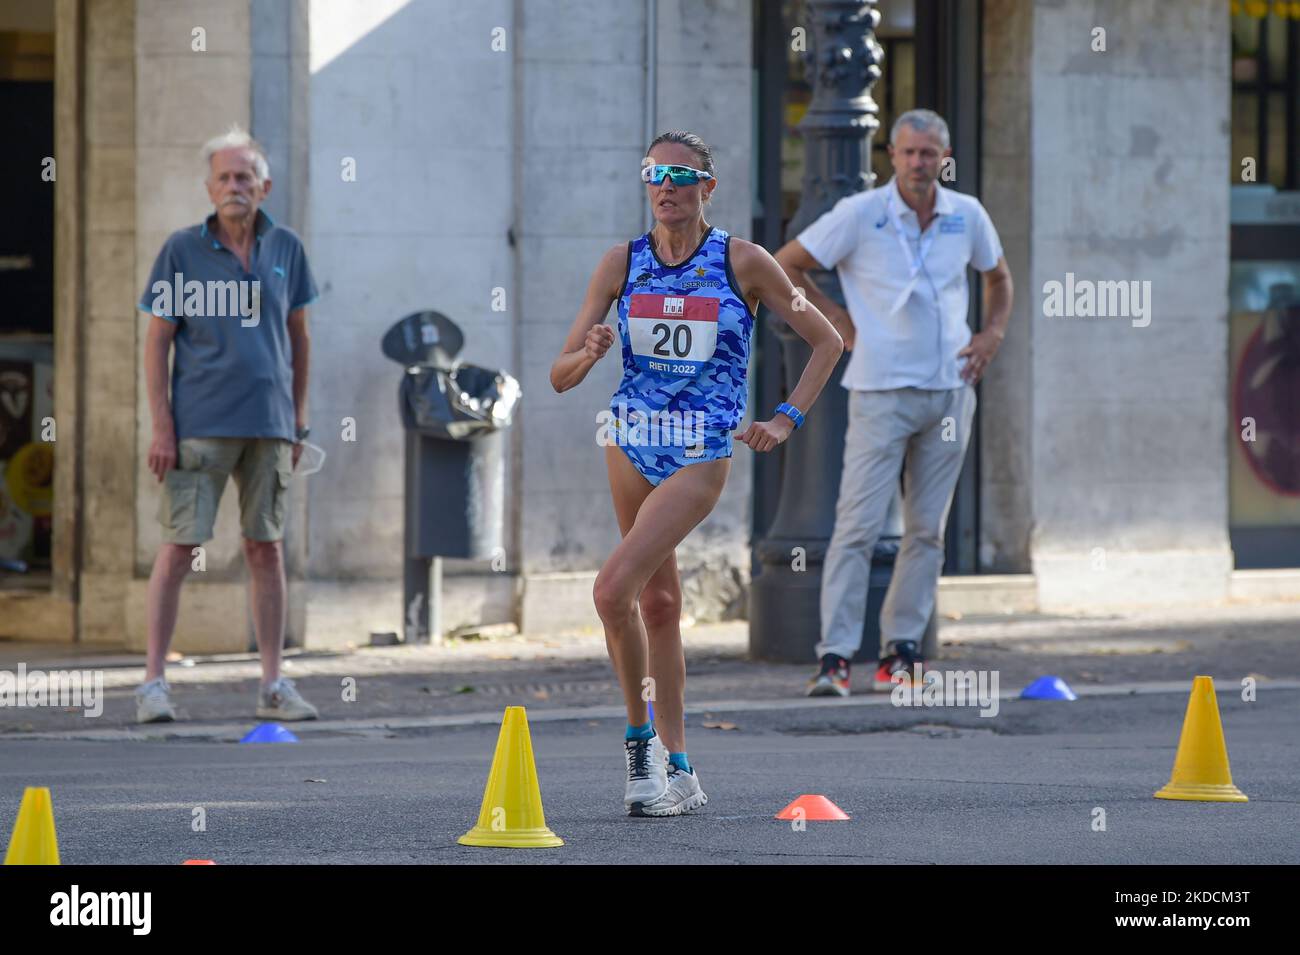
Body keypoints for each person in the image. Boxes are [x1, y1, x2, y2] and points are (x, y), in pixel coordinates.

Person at [550, 131, 843, 815]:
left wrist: (785, 419)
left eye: (682, 174)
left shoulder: (745, 260)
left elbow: (828, 339)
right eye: (654, 173)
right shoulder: (620, 262)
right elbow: (559, 376)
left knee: (610, 590)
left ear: (707, 186)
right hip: (627, 443)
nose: (667, 185)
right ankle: (680, 766)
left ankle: (639, 744)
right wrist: (590, 353)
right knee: (659, 605)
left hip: (699, 452)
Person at [775, 108, 1014, 698]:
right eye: (907, 152)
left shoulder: (967, 215)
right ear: (891, 155)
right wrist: (834, 319)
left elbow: (1000, 278)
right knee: (856, 527)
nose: (917, 163)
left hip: (950, 393)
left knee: (927, 531)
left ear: (944, 157)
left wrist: (991, 335)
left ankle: (900, 653)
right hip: (880, 391)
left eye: (928, 153)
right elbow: (787, 265)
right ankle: (834, 656)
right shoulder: (861, 214)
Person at [134, 126, 320, 724]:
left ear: (263, 186)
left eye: (244, 177)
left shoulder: (286, 248)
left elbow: (299, 337)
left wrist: (299, 417)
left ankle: (273, 683)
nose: (234, 186)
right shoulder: (181, 251)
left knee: (266, 547)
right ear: (209, 187)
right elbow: (156, 342)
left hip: (269, 426)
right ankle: (153, 684)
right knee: (180, 547)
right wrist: (162, 427)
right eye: (224, 177)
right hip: (198, 427)